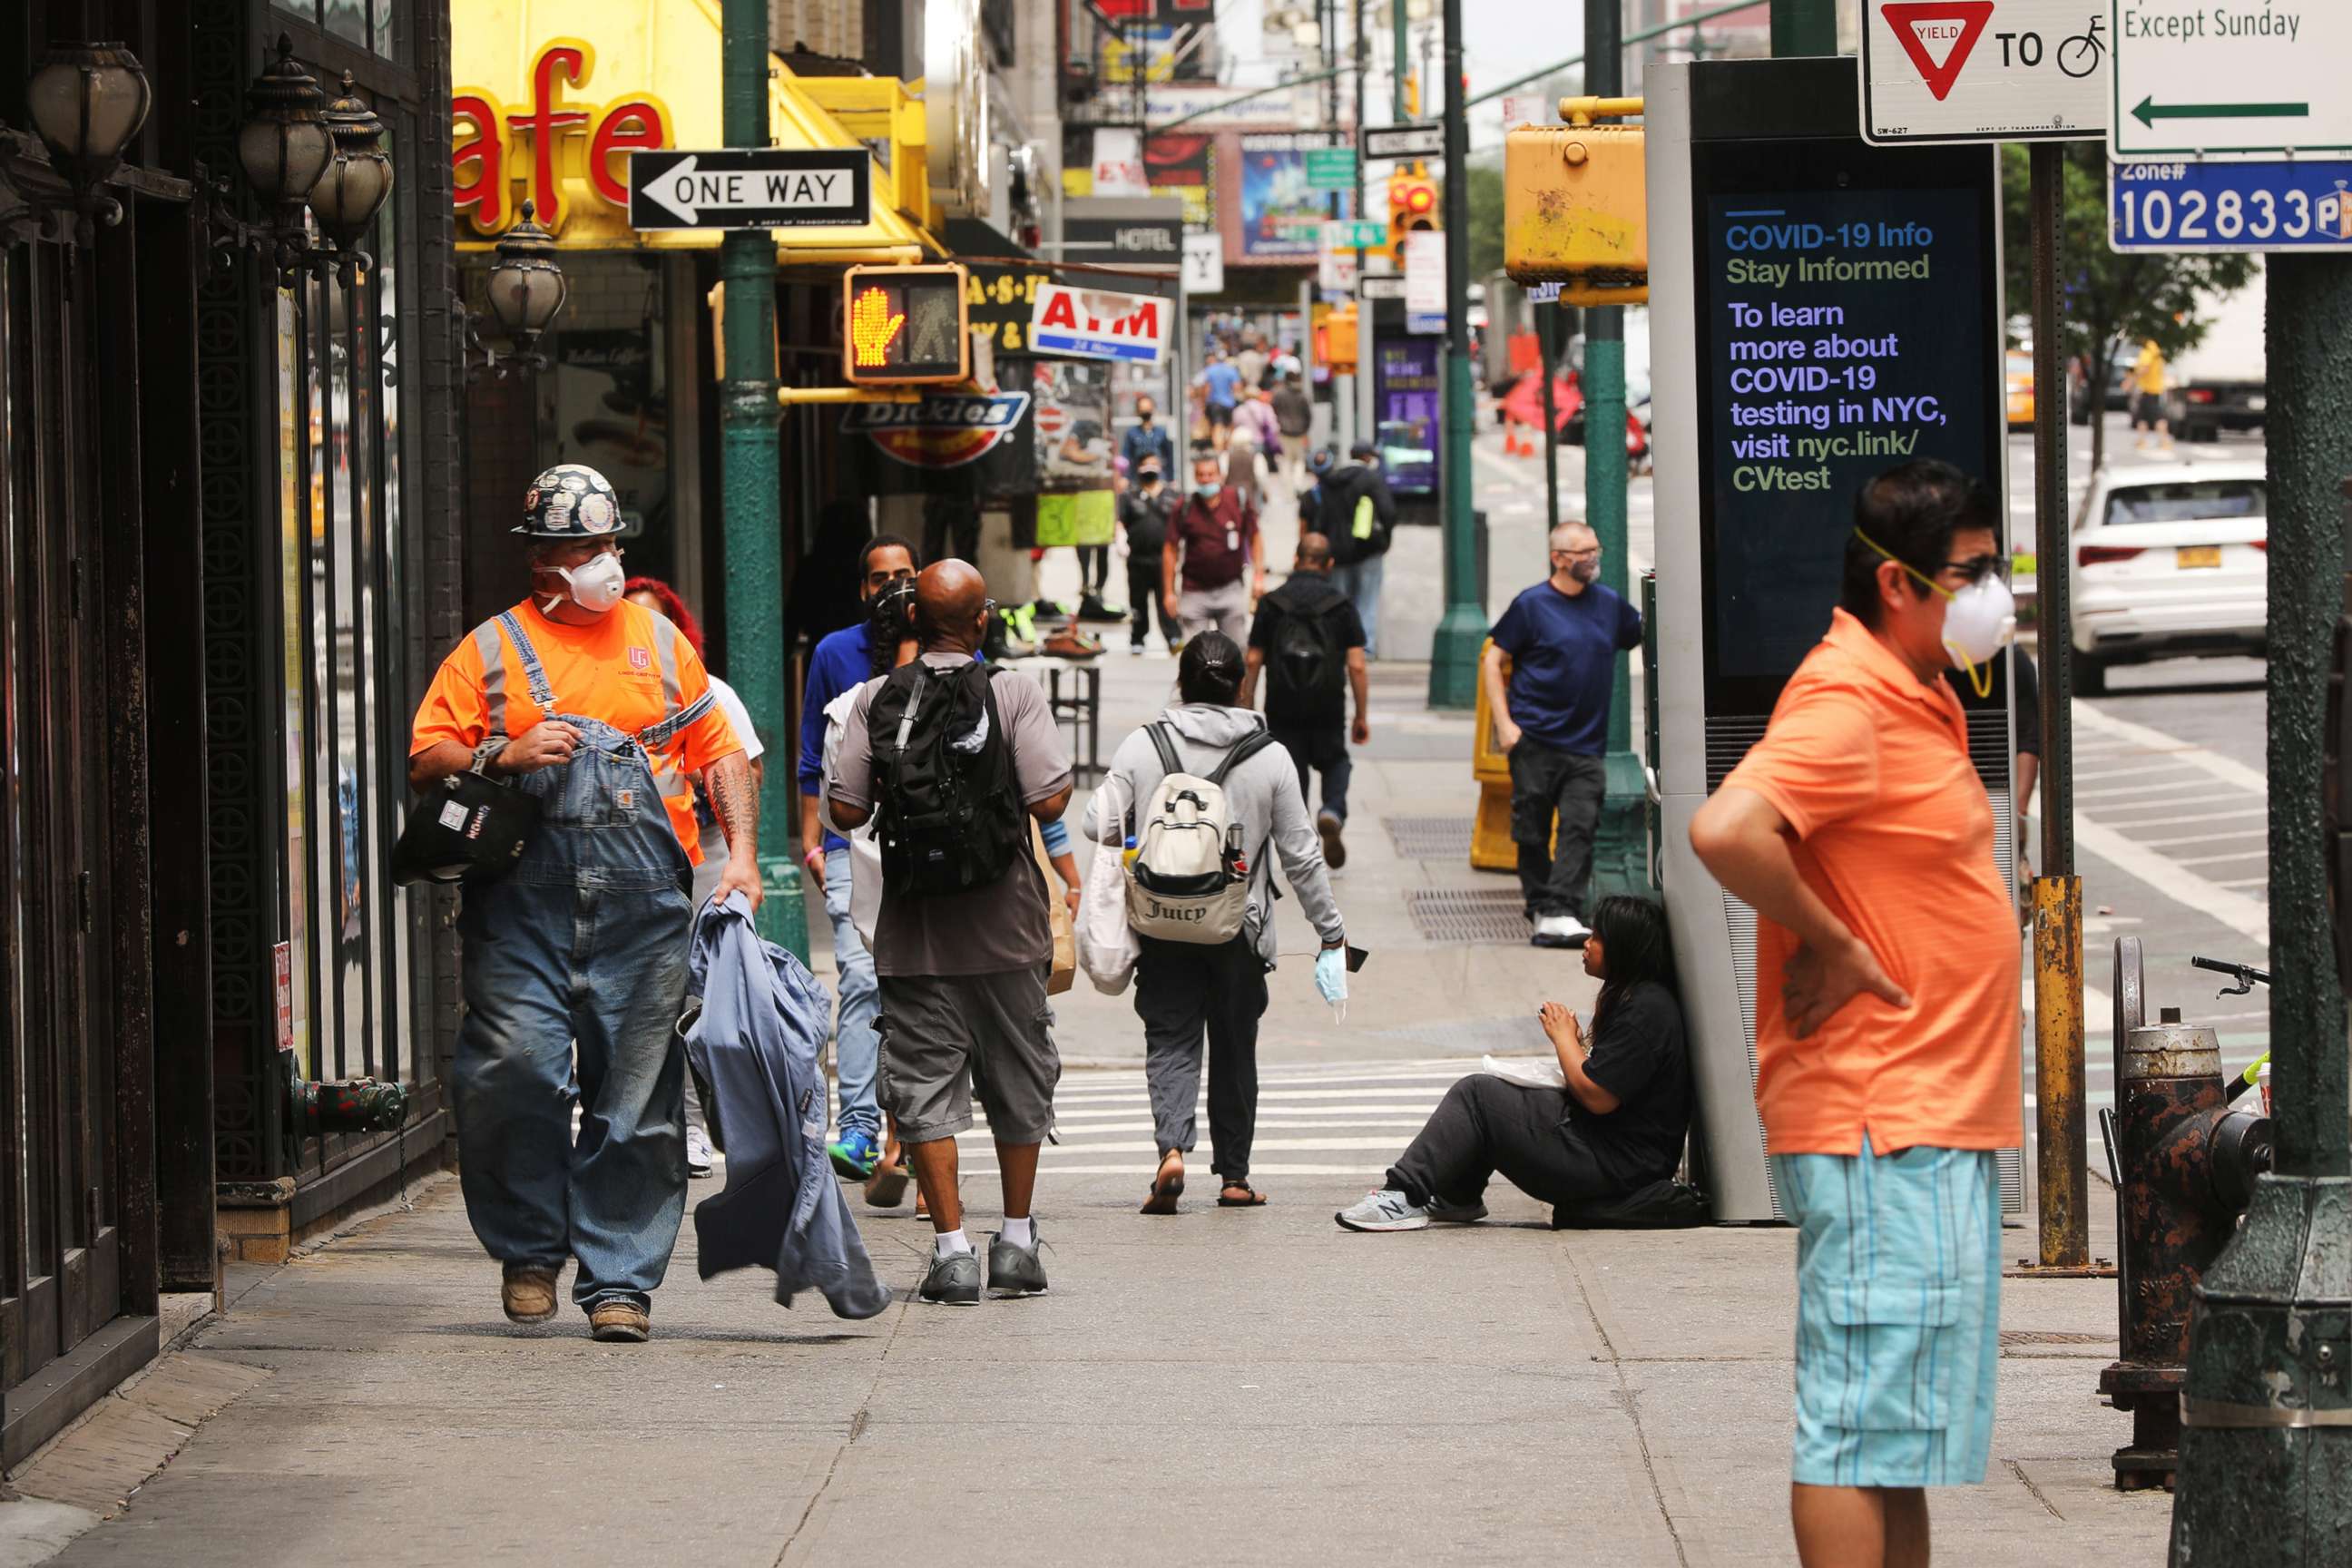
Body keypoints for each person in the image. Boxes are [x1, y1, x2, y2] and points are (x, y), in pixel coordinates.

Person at [1688, 459, 2020, 1568]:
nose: (1991, 594)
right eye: (1971, 573)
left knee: (1896, 1443)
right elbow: (1728, 829)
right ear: (1897, 586)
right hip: (1886, 1122)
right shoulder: (1848, 700)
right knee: (1851, 1429)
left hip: (1931, 1123)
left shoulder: (1912, 691)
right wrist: (1835, 943)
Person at [408, 463, 757, 1344]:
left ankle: (621, 1282)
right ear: (544, 561)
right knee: (511, 1071)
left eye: (608, 544)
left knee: (636, 1098)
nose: (603, 561)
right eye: (584, 547)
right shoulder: (487, 651)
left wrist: (744, 856)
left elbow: (717, 751)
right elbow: (424, 760)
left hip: (645, 912)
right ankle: (529, 1250)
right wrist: (502, 754)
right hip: (522, 908)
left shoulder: (659, 643)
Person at [826, 562, 1075, 1307]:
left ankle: (952, 1251)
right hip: (1006, 929)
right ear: (981, 620)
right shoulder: (1014, 691)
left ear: (912, 621)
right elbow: (1050, 794)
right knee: (1019, 1078)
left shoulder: (875, 699)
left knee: (926, 1087)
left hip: (915, 929)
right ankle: (1020, 1242)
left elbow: (843, 809)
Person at [1085, 633, 1347, 1213]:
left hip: (1161, 922)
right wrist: (1330, 931)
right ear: (1240, 685)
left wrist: (1140, 834)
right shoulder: (1270, 756)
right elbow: (1302, 855)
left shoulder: (1142, 746)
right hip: (1239, 928)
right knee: (1235, 1046)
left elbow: (1092, 823)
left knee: (1171, 1035)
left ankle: (1171, 1149)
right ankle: (1233, 1176)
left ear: (1180, 683)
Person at [1336, 896, 1688, 1230]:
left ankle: (1402, 1195)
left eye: (1597, 937)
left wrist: (1564, 1038)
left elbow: (1597, 1096)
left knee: (1478, 1095)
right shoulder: (1638, 998)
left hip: (1614, 1166)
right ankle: (1457, 1196)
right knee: (1498, 1096)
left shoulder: (1645, 1009)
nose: (1587, 943)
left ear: (1623, 948)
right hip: (1614, 1156)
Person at [623, 576, 767, 1179]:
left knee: (693, 995)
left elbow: (747, 769)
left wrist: (739, 853)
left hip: (699, 853)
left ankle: (698, 1124)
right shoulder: (609, 691)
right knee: (639, 999)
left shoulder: (709, 692)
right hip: (623, 858)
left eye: (660, 624)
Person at [797, 534, 919, 1188]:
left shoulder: (954, 649)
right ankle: (862, 1129)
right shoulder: (833, 653)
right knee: (861, 976)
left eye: (905, 575)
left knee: (920, 987)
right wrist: (814, 844)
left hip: (929, 847)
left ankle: (919, 1129)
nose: (892, 588)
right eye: (880, 579)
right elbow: (812, 760)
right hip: (851, 842)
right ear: (863, 588)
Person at [1485, 521, 1642, 950]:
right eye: (1582, 552)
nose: (1592, 559)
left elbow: (1646, 632)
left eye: (1595, 549)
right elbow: (1493, 659)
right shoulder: (1532, 605)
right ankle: (1541, 905)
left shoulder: (1608, 605)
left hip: (1586, 747)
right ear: (1558, 558)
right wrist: (1506, 726)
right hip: (1535, 739)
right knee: (1532, 830)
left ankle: (1560, 910)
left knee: (1580, 826)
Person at [1241, 533, 1367, 869]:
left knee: (1292, 771)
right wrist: (1361, 716)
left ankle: (1302, 846)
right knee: (1336, 761)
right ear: (1329, 564)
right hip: (1327, 703)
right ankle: (1332, 810)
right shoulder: (1341, 605)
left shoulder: (1272, 603)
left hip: (1283, 703)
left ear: (1296, 560)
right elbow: (1356, 664)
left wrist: (1247, 708)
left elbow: (1252, 660)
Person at [1164, 450, 1264, 644]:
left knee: (1237, 651)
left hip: (1230, 588)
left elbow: (1256, 537)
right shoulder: (1185, 506)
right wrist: (1169, 592)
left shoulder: (1237, 501)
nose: (1206, 480)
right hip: (1194, 591)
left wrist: (1258, 577)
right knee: (1196, 657)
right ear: (1195, 477)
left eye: (1210, 474)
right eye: (1201, 475)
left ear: (1220, 476)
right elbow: (1170, 548)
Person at [1319, 440, 1397, 659]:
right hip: (1368, 549)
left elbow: (1322, 518)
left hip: (1337, 552)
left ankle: (1339, 645)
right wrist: (1385, 539)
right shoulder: (1372, 480)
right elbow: (1388, 512)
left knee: (1339, 602)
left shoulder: (1331, 481)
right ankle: (1364, 648)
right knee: (1367, 600)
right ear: (1366, 458)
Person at [1120, 456, 1181, 652]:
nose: (1149, 468)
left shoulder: (1172, 495)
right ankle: (1137, 638)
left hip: (1164, 559)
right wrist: (1120, 540)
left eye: (1153, 464)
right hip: (1137, 559)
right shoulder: (1130, 496)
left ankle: (1173, 636)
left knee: (1167, 599)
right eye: (1145, 464)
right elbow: (1120, 522)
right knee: (1138, 601)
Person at [2124, 337, 2171, 452]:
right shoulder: (2156, 352)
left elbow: (2144, 368)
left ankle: (2165, 441)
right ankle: (2142, 440)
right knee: (2142, 417)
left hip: (2150, 390)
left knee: (2158, 416)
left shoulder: (2147, 352)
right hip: (2151, 389)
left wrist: (2130, 382)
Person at [1270, 371, 1314, 494]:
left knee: (1286, 459)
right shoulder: (1303, 395)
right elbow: (1309, 415)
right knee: (1300, 459)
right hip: (1299, 432)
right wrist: (1305, 430)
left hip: (1284, 431)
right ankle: (1298, 484)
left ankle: (1287, 486)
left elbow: (1273, 410)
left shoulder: (1279, 394)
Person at [1194, 348, 1243, 451]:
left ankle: (1219, 450)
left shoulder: (1210, 370)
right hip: (1229, 404)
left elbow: (1206, 388)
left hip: (1214, 403)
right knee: (1228, 427)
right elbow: (1237, 387)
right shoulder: (1232, 370)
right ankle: (1226, 449)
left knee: (1217, 427)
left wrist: (1203, 402)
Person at [1121, 392, 1177, 476]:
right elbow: (1126, 457)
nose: (1145, 411)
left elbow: (1169, 457)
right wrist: (1125, 477)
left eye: (1147, 408)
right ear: (1138, 411)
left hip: (1158, 478)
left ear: (1153, 408)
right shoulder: (1132, 433)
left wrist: (1171, 478)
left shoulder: (1161, 433)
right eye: (1142, 408)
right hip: (1138, 478)